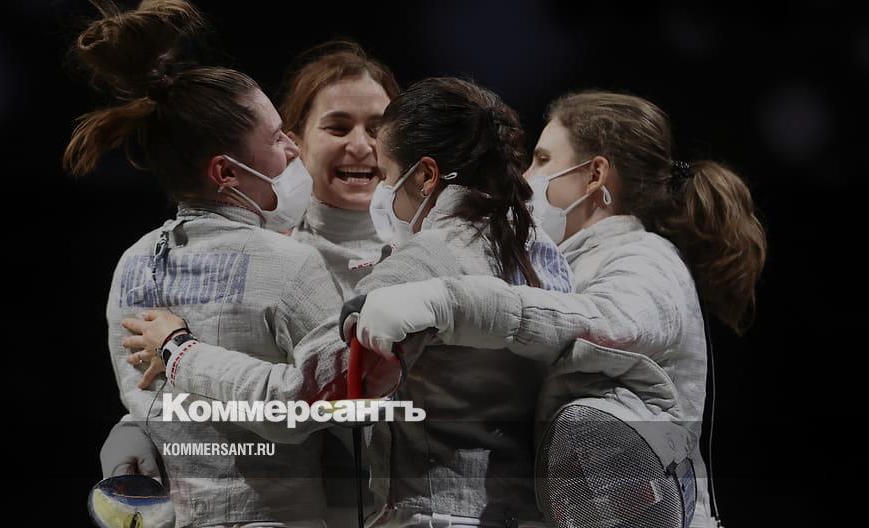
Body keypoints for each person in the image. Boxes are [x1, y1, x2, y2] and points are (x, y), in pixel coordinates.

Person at [123, 77, 574, 527]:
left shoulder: (419, 263)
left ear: (425, 176)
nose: (378, 183)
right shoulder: (538, 248)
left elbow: (296, 402)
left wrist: (179, 352)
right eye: (338, 127)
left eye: (387, 174)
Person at [348, 90, 768, 528]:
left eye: (543, 160)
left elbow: (604, 324)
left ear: (594, 175)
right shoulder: (566, 265)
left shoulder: (646, 258)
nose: (526, 177)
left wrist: (446, 302)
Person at [64, 0, 350, 527]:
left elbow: (148, 405)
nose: (292, 149)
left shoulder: (131, 265)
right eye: (276, 138)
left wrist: (132, 427)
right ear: (226, 173)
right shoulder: (289, 263)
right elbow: (324, 403)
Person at [282, 41, 399, 298]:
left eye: (376, 130)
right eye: (338, 128)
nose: (360, 146)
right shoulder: (269, 256)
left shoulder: (436, 250)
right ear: (296, 145)